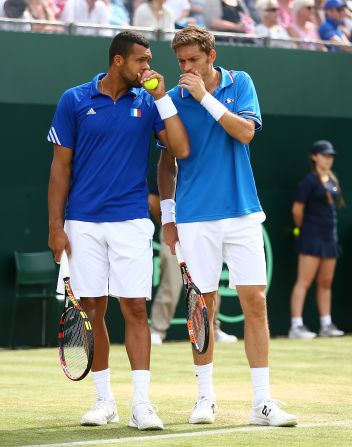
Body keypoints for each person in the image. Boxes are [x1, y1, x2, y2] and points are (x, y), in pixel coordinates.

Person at [47, 30, 189, 429]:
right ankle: (103, 400)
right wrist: (55, 226)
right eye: (142, 60)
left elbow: (179, 150)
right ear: (118, 61)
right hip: (82, 223)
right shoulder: (74, 100)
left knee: (136, 308)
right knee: (92, 311)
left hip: (129, 221)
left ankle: (141, 404)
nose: (149, 67)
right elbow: (60, 167)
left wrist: (161, 96)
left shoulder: (149, 100)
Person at [158, 25, 297, 426]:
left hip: (242, 213)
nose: (187, 68)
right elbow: (166, 164)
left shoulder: (242, 83)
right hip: (194, 217)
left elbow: (245, 133)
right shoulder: (170, 100)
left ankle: (262, 403)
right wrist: (169, 219)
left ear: (211, 56)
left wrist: (203, 98)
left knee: (255, 302)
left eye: (194, 61)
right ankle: (205, 398)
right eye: (181, 62)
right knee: (204, 308)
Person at [148, 179, 238, 345]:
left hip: (204, 226)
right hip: (174, 230)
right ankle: (157, 331)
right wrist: (168, 224)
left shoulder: (206, 167)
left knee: (209, 283)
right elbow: (154, 201)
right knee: (171, 284)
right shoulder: (171, 164)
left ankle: (213, 330)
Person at [288, 140, 345, 340]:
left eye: (330, 156)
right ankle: (296, 326)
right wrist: (306, 229)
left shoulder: (332, 181)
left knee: (326, 282)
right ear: (315, 157)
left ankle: (326, 324)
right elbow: (297, 210)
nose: (328, 159)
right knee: (304, 282)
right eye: (324, 155)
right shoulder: (308, 182)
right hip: (311, 238)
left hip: (330, 239)